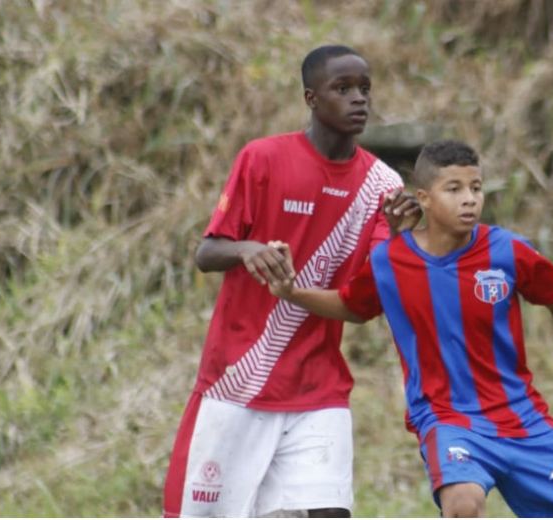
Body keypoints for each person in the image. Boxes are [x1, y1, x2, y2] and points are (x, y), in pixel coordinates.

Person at [266, 139, 553, 518]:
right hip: (448, 419)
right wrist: (292, 292)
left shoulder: (507, 251)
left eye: (476, 187)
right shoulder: (390, 260)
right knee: (463, 504)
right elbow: (352, 305)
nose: (469, 198)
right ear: (423, 199)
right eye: (453, 189)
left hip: (523, 419)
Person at [161, 45, 422, 518]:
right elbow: (206, 253)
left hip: (317, 390)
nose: (358, 99)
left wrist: (401, 243)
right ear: (311, 98)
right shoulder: (262, 158)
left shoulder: (382, 186)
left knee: (332, 513)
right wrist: (247, 249)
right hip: (237, 384)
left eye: (364, 89)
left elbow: (365, 301)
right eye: (342, 89)